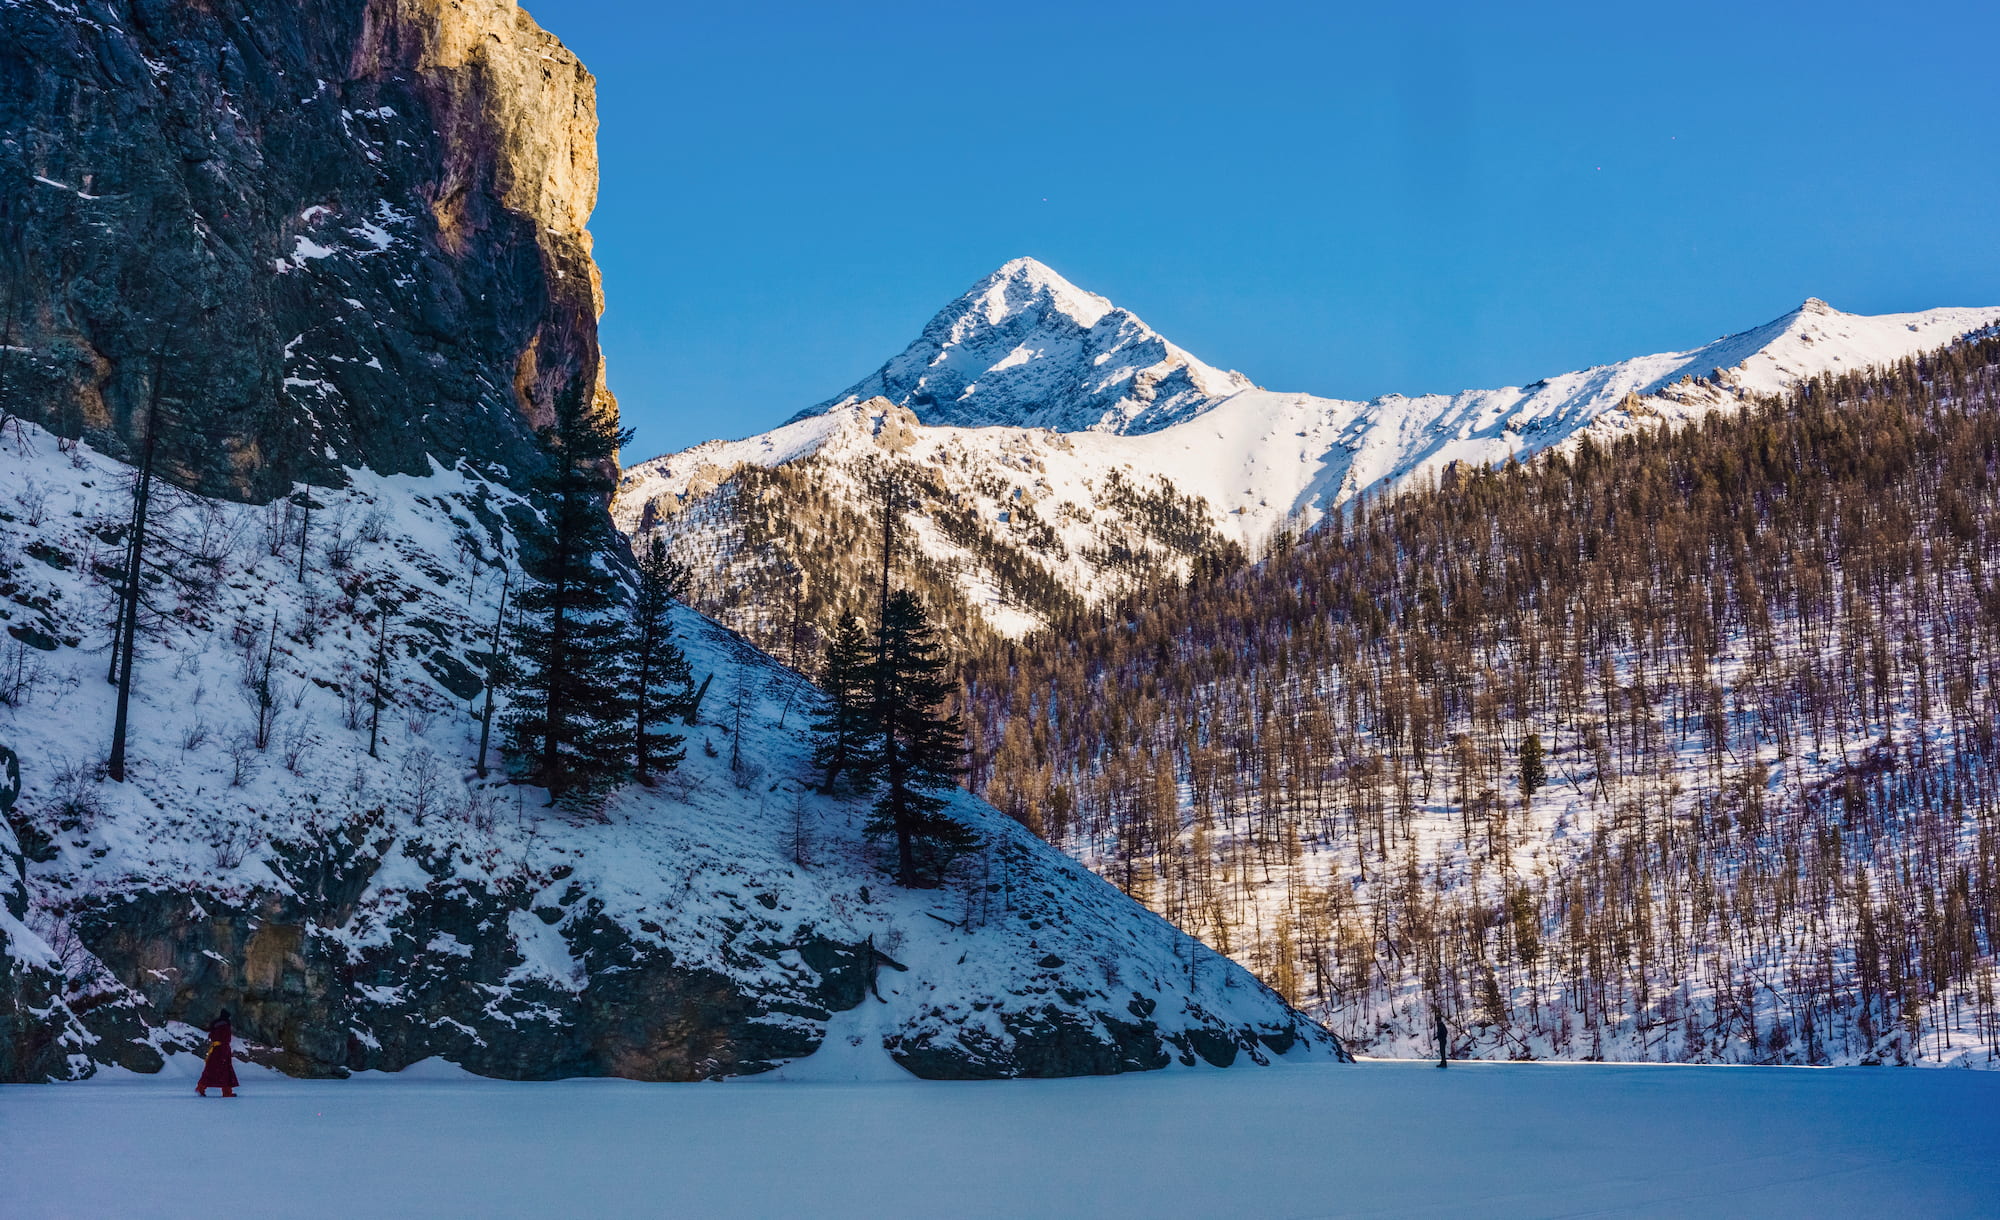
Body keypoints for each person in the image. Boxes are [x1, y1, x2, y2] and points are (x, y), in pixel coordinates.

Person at [196, 1010, 239, 1098]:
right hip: (223, 1050)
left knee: (211, 1070)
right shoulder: (225, 1026)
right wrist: (225, 1052)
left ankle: (201, 1088)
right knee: (226, 1071)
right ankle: (227, 1092)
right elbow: (225, 1039)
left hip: (216, 1049)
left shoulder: (216, 1025)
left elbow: (212, 1036)